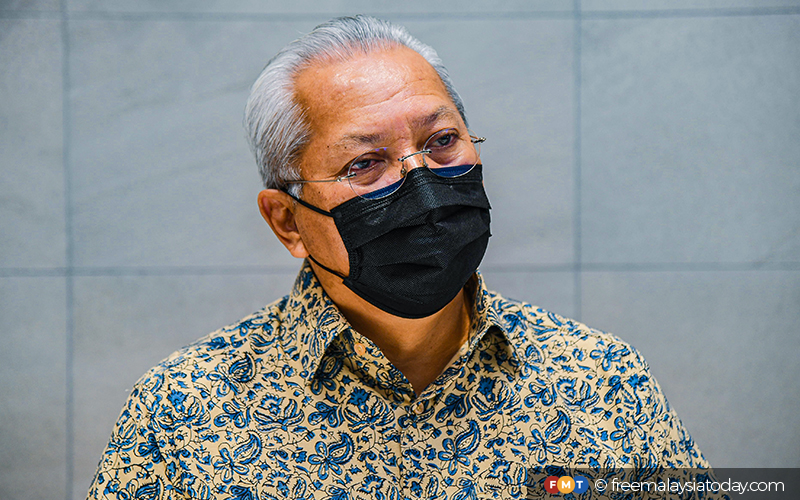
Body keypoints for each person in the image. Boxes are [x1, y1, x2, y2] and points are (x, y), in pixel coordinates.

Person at [87, 15, 711, 500]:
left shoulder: (603, 383)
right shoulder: (183, 415)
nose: (422, 184)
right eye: (365, 163)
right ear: (288, 221)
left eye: (442, 141)